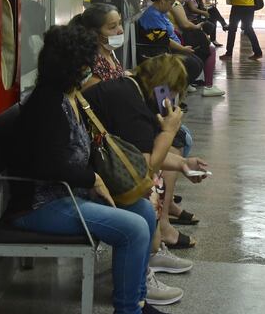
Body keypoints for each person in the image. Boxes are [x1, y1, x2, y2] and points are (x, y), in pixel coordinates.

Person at [8, 25, 177, 314]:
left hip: (69, 195)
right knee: (134, 229)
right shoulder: (48, 104)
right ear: (71, 64)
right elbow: (47, 166)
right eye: (86, 62)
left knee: (144, 213)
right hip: (40, 204)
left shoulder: (70, 97)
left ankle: (138, 301)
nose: (91, 67)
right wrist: (93, 179)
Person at [83, 55, 210, 252]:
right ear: (163, 88)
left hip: (94, 161)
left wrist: (184, 163)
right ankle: (154, 250)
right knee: (152, 187)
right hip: (85, 175)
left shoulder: (131, 89)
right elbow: (145, 170)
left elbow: (141, 153)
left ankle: (154, 250)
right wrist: (169, 132)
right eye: (173, 92)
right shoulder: (133, 105)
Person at [139, 0, 223, 97]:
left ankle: (179, 90)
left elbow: (170, 31)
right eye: (170, 4)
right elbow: (163, 39)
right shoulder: (152, 16)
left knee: (197, 61)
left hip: (173, 46)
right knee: (194, 64)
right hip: (162, 51)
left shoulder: (161, 13)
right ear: (163, 0)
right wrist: (182, 49)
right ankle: (175, 93)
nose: (170, 8)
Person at [170, 0, 225, 97]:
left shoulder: (168, 6)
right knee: (210, 49)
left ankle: (189, 81)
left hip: (177, 37)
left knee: (204, 41)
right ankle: (208, 86)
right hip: (179, 38)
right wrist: (197, 26)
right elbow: (184, 24)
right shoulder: (175, 4)